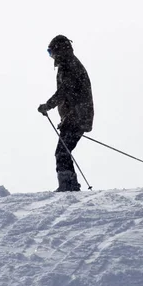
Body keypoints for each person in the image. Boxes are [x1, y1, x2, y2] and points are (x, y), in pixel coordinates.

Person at [37, 35, 94, 192]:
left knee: (62, 151)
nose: (51, 57)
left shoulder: (69, 65)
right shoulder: (70, 64)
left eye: (50, 52)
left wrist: (48, 106)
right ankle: (69, 184)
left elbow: (65, 91)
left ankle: (68, 186)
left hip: (77, 117)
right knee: (63, 151)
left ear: (58, 50)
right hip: (77, 116)